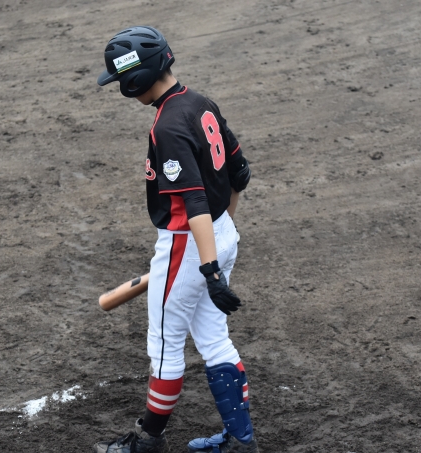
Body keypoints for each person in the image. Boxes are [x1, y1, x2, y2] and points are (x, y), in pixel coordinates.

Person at [94, 26, 258, 453]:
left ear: (136, 79)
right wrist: (221, 240)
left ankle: (147, 442)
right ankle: (241, 442)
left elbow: (193, 201)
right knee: (213, 338)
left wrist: (208, 269)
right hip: (220, 232)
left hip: (189, 243)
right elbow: (240, 174)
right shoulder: (199, 102)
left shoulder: (167, 125)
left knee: (165, 344)